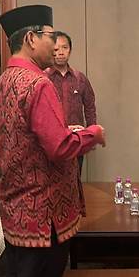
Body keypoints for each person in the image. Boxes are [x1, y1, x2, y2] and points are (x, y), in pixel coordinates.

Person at [0, 4, 105, 277]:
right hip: (43, 214)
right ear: (31, 38)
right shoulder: (38, 84)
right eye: (50, 36)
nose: (55, 44)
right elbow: (59, 146)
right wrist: (93, 134)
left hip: (17, 207)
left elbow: (21, 137)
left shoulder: (0, 83)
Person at [45, 31, 97, 173]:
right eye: (56, 49)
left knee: (75, 180)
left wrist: (92, 134)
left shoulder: (80, 78)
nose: (61, 52)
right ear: (50, 51)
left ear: (70, 50)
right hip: (53, 141)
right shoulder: (43, 78)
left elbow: (90, 107)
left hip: (76, 140)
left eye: (65, 48)